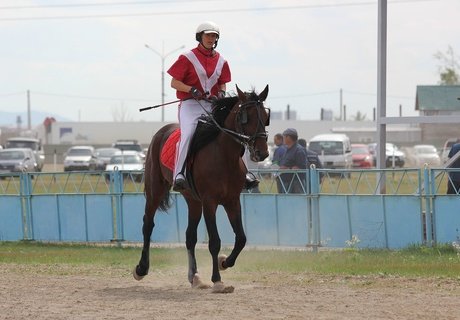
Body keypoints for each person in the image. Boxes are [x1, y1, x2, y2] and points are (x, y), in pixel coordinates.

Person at [167, 21, 258, 191]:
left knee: (237, 132)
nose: (211, 38)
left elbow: (222, 83)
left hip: (212, 105)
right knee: (188, 134)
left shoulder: (221, 61)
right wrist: (190, 89)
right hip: (190, 105)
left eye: (214, 36)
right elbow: (174, 82)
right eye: (208, 35)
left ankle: (246, 173)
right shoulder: (187, 58)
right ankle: (179, 174)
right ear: (199, 37)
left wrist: (222, 93)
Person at [278, 128, 307, 194]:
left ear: (289, 137)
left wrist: (288, 169)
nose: (283, 139)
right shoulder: (287, 149)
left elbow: (302, 167)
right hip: (286, 182)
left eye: (284, 137)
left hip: (296, 183)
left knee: (297, 201)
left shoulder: (299, 150)